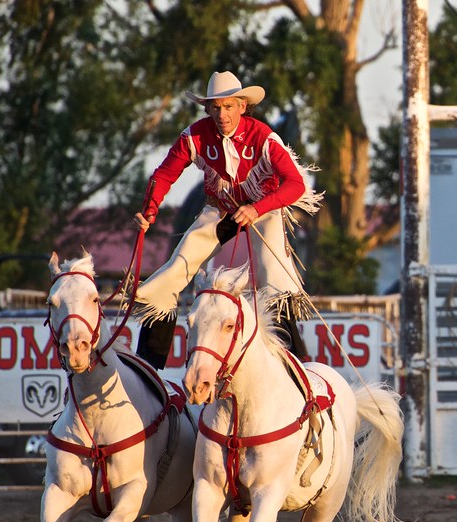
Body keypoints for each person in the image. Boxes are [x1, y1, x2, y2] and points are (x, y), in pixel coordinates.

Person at [133, 70, 321, 361]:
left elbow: (296, 184)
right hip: (219, 209)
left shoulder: (264, 138)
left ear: (243, 106)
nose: (222, 114)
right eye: (216, 107)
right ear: (207, 109)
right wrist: (150, 209)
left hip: (263, 210)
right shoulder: (194, 136)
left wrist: (257, 208)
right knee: (172, 273)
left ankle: (294, 364)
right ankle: (147, 366)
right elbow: (165, 173)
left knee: (276, 282)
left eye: (229, 106)